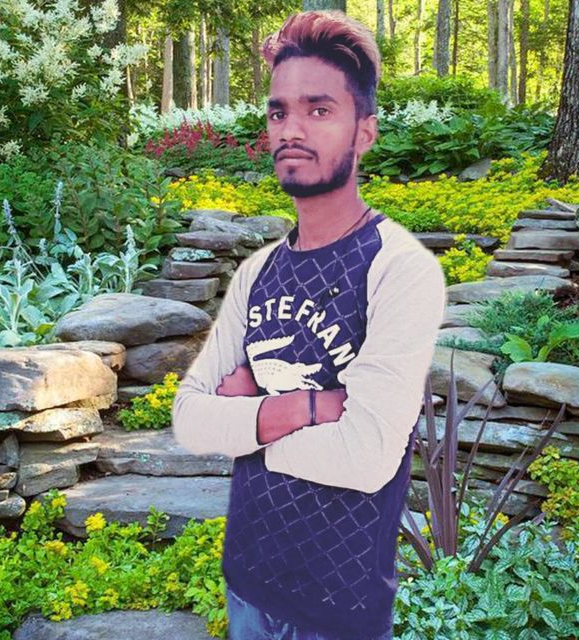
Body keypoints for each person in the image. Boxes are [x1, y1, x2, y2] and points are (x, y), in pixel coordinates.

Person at [172, 9, 446, 640]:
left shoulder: (398, 268)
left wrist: (244, 421)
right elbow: (189, 419)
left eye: (319, 110)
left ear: (365, 132)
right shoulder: (257, 272)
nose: (291, 130)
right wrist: (308, 407)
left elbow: (366, 457)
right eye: (278, 113)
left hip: (339, 608)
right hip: (247, 583)